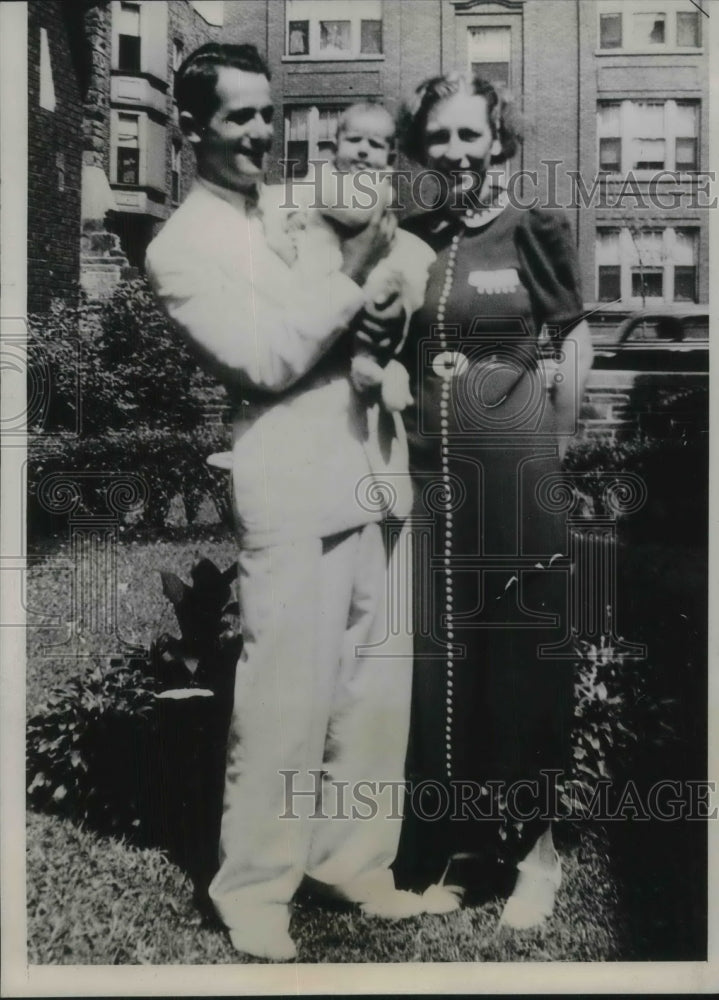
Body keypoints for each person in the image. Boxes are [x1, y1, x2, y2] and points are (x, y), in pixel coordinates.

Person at [145, 43, 418, 962]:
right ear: (190, 128)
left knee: (371, 687)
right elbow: (263, 362)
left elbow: (381, 277)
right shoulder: (180, 247)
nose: (264, 133)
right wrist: (356, 277)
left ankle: (353, 864)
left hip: (372, 463)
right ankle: (255, 889)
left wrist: (384, 305)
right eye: (240, 117)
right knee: (283, 698)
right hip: (291, 483)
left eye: (269, 113)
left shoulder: (299, 204)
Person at [393, 72, 594, 929]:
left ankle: (538, 852)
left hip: (514, 467)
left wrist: (554, 446)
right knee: (444, 659)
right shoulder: (410, 240)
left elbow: (572, 335)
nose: (455, 152)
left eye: (470, 136)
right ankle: (467, 839)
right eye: (439, 138)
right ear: (421, 148)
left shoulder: (532, 228)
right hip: (432, 476)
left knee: (520, 651)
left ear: (498, 141)